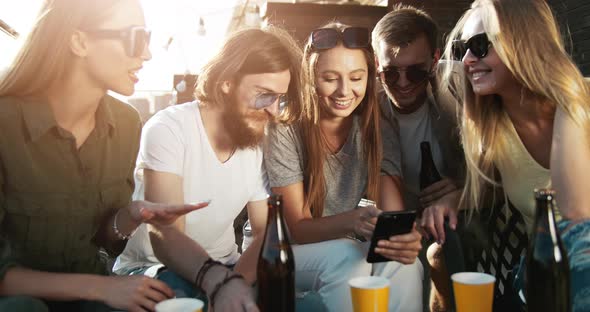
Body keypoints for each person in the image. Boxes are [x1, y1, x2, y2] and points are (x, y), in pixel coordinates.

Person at [0, 0, 209, 311]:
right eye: (135, 38)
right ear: (79, 41)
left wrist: (131, 215)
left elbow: (102, 240)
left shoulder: (125, 124)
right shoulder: (6, 123)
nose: (148, 54)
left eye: (148, 39)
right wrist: (101, 287)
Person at [113, 26, 304, 311]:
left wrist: (234, 284)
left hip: (227, 268)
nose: (273, 110)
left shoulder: (258, 140)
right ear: (227, 82)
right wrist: (221, 284)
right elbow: (167, 235)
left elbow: (265, 230)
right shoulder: (169, 128)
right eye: (264, 95)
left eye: (280, 98)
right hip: (153, 269)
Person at [434, 0, 590, 310]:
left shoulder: (582, 101)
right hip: (541, 276)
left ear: (523, 43)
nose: (466, 60)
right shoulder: (494, 129)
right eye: (462, 48)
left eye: (479, 45)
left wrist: (566, 102)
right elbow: (443, 71)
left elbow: (576, 212)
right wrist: (453, 199)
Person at [264, 23, 423, 312]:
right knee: (349, 256)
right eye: (330, 78)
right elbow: (298, 229)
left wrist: (405, 239)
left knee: (405, 265)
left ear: (368, 78)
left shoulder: (378, 129)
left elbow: (393, 217)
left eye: (356, 77)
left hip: (352, 252)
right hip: (291, 255)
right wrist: (354, 220)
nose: (344, 90)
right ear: (310, 77)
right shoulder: (285, 130)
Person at [372, 4, 464, 246]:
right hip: (402, 220)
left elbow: (496, 164)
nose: (402, 84)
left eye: (415, 72)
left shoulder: (459, 84)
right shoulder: (365, 100)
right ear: (376, 64)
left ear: (434, 59)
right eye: (390, 72)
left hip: (462, 217)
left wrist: (463, 187)